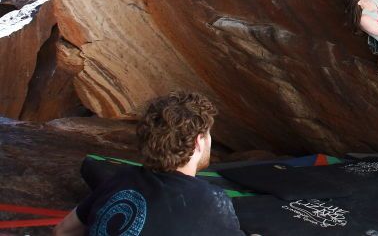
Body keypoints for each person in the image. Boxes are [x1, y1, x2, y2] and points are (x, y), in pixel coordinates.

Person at [53, 91, 245, 236]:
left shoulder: (122, 179)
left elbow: (62, 231)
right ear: (198, 142)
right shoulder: (210, 200)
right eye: (208, 134)